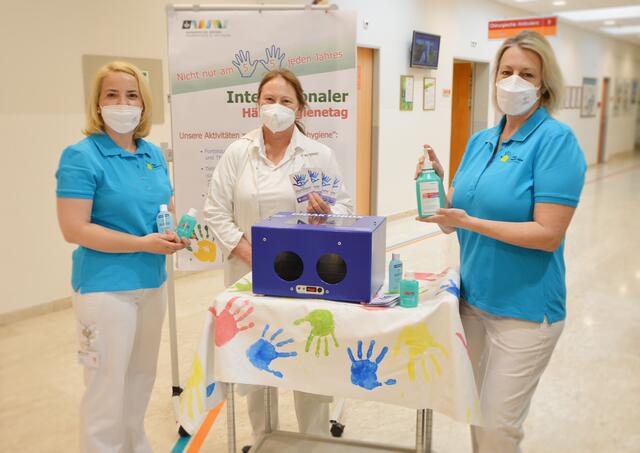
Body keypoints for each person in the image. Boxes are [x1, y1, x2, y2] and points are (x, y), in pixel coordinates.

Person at [415, 31, 586, 452]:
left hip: (525, 312)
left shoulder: (555, 141)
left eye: (527, 73)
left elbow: (548, 235)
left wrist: (470, 220)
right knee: (479, 416)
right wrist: (434, 186)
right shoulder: (482, 141)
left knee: (497, 428)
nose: (514, 81)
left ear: (544, 84)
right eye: (506, 71)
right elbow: (450, 222)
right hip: (473, 303)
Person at [203, 69, 353, 447]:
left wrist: (327, 216)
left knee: (310, 362)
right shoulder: (239, 152)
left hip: (307, 279)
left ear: (300, 107)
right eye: (269, 99)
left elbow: (346, 212)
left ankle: (315, 439)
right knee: (256, 360)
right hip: (248, 275)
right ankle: (262, 437)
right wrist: (249, 252)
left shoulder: (320, 155)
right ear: (257, 104)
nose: (276, 108)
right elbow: (216, 210)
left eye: (286, 101)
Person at [56, 61, 189, 452]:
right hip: (105, 289)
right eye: (111, 94)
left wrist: (174, 234)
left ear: (143, 104)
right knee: (105, 387)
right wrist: (142, 243)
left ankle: (135, 445)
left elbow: (164, 208)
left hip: (151, 283)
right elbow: (74, 229)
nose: (122, 102)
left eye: (131, 95)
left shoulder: (150, 153)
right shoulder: (81, 156)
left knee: (140, 378)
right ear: (97, 105)